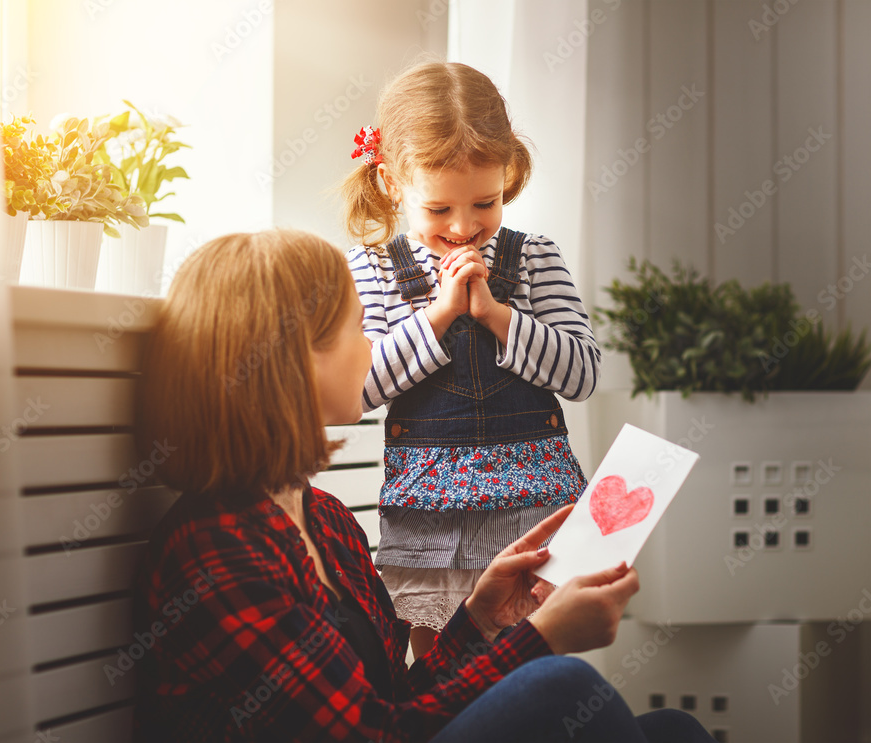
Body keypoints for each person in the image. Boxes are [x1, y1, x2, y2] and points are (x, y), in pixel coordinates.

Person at [131, 229, 716, 742]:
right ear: (294, 361)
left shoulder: (326, 520)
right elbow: (376, 737)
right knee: (560, 685)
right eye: (357, 327)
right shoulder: (217, 553)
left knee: (674, 730)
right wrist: (542, 638)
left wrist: (482, 617)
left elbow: (397, 703)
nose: (371, 345)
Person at [342, 60, 599, 658]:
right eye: (438, 211)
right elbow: (360, 387)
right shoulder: (373, 269)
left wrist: (496, 315)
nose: (464, 227)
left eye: (485, 203)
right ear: (391, 184)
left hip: (534, 500)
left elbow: (583, 373)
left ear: (508, 174)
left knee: (536, 653)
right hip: (430, 508)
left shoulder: (534, 258)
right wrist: (438, 315)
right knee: (440, 658)